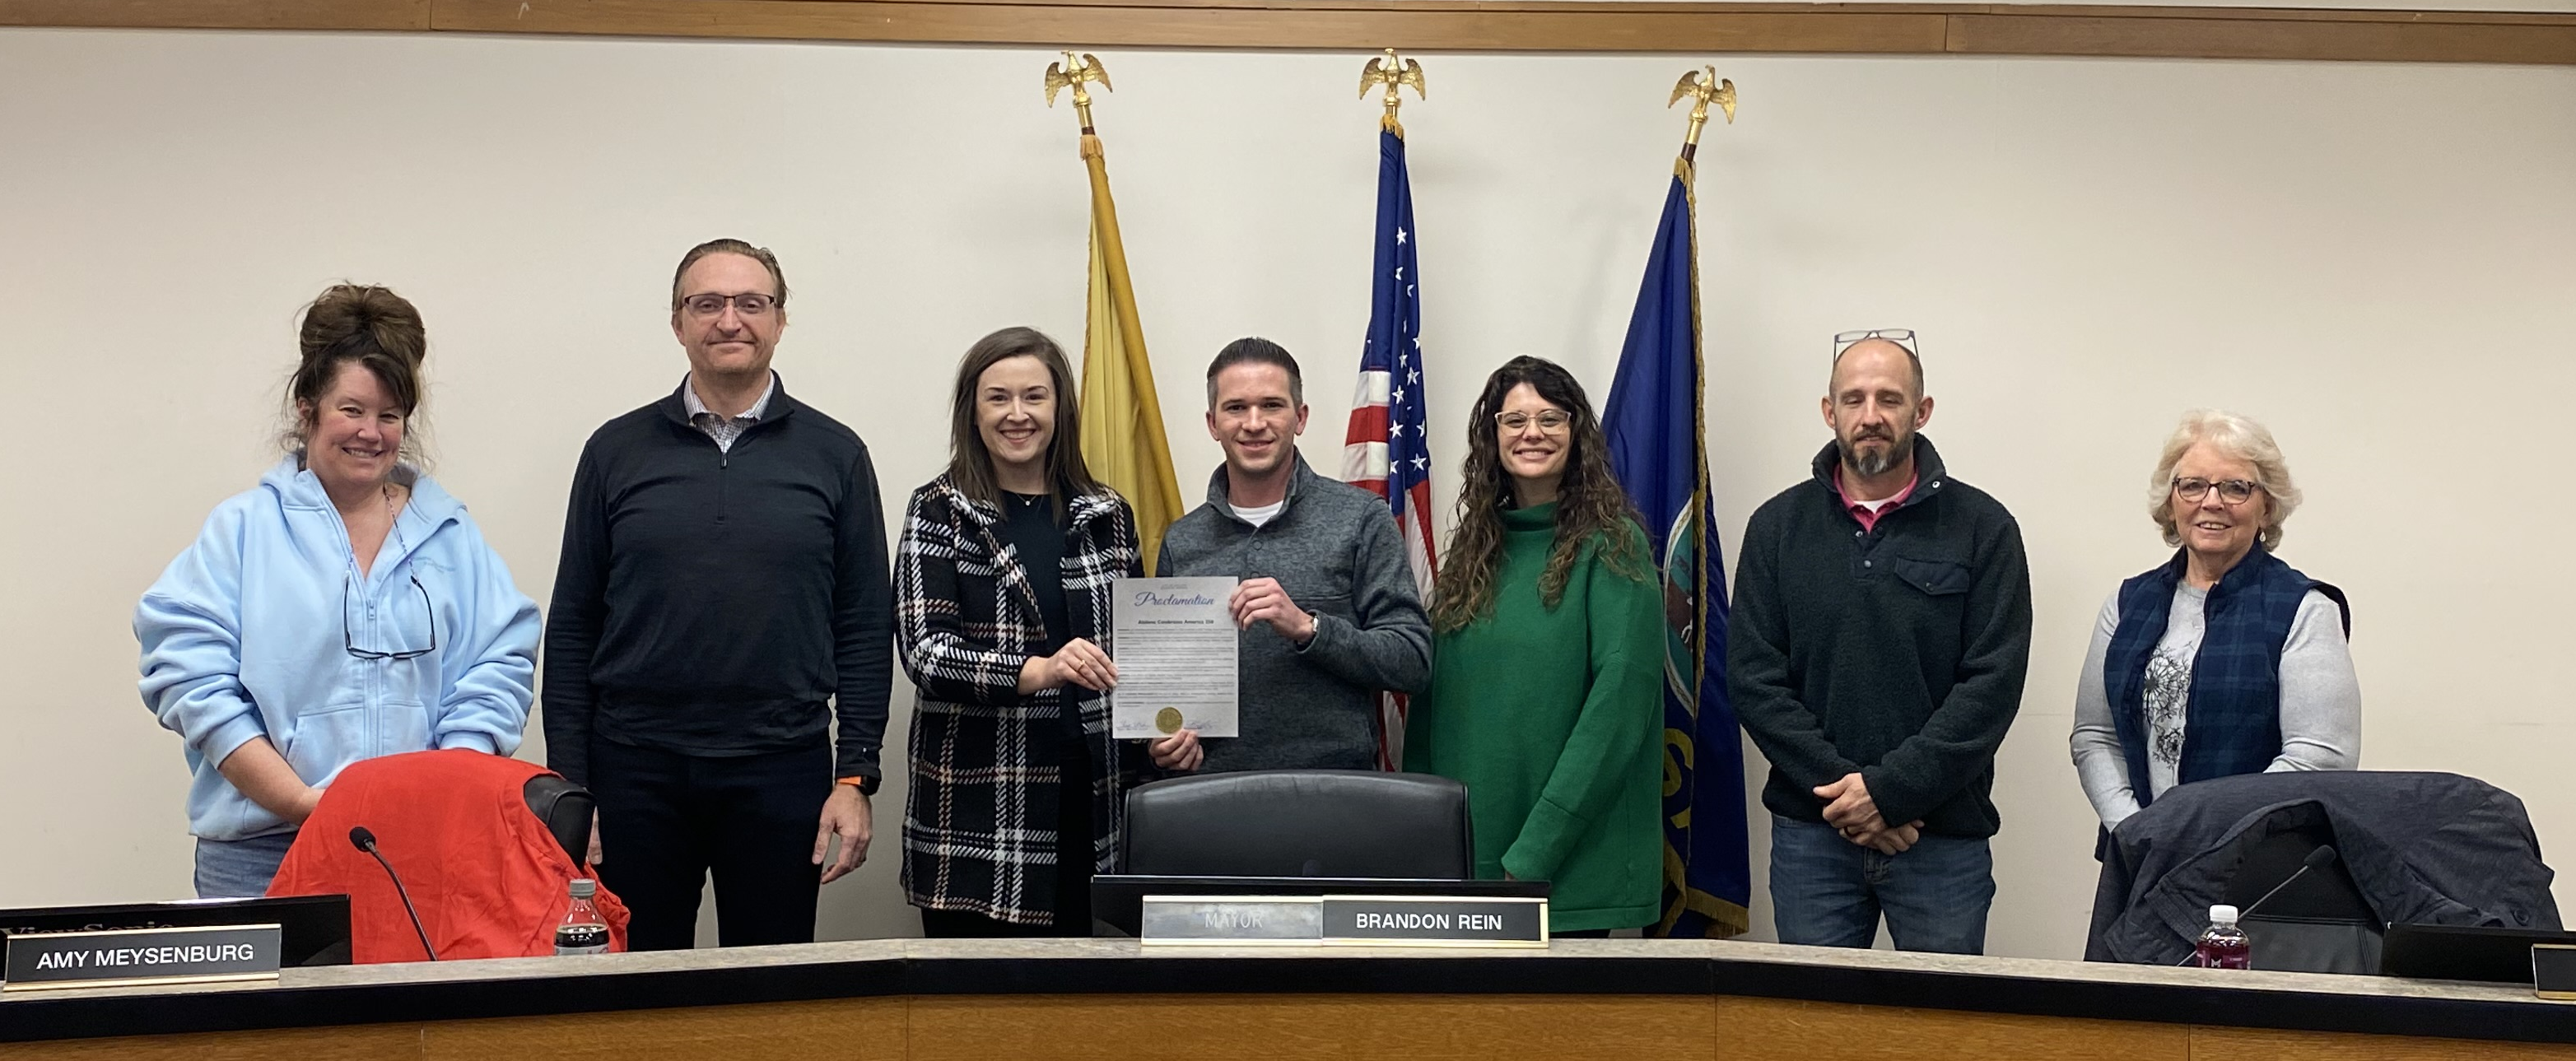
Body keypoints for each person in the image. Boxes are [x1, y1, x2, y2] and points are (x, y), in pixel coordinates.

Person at [543, 239, 892, 950]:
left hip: (781, 767)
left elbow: (862, 624)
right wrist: (573, 791)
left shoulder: (837, 454)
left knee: (770, 999)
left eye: (750, 303)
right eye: (707, 303)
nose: (729, 319)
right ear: (677, 323)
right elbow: (575, 623)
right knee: (636, 991)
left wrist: (854, 774)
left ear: (779, 320)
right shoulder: (615, 451)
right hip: (634, 769)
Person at [137, 284, 539, 899]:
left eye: (389, 416)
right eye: (351, 410)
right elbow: (189, 676)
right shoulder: (243, 530)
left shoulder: (452, 537)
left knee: (406, 1001)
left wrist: (440, 793)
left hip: (411, 852)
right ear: (306, 409)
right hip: (259, 854)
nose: (370, 433)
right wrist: (300, 801)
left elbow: (496, 666)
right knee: (265, 1003)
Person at [1731, 329, 2032, 954]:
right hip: (1812, 840)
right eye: (1854, 398)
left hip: (1940, 840)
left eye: (1889, 399)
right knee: (1814, 1039)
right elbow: (1756, 681)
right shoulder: (1775, 528)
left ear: (1920, 412)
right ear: (1828, 410)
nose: (1870, 416)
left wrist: (1890, 793)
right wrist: (1851, 794)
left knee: (1938, 1037)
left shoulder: (1985, 529)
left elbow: (1991, 687)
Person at [895, 327, 1199, 936]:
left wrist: (1168, 731)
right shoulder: (939, 509)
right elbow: (926, 652)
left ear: (1060, 407)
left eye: (1034, 396)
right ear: (971, 412)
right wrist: (1041, 669)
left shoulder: (1106, 515)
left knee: (1080, 1012)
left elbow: (1136, 654)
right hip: (980, 805)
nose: (1017, 414)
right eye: (997, 398)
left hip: (1092, 797)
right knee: (983, 1011)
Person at [1403, 356, 1663, 935]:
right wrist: (1422, 841)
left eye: (1550, 417)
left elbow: (1619, 708)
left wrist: (1532, 853)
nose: (1532, 433)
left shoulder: (1612, 547)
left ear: (1577, 433)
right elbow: (1431, 707)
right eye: (1514, 419)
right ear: (1492, 435)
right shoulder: (1472, 552)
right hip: (1465, 871)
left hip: (1564, 871)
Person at [1154, 337, 1432, 772]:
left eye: (1271, 405)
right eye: (1235, 408)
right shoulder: (1182, 541)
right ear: (1212, 423)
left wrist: (1308, 628)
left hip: (1335, 797)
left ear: (1300, 417)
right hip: (1211, 801)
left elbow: (1412, 660)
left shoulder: (1360, 519)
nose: (1254, 423)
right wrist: (1166, 743)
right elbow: (1169, 690)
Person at [2071, 411, 2357, 831]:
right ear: (2171, 501)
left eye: (2236, 488)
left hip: (2257, 862)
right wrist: (2132, 830)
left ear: (2267, 507)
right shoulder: (2128, 603)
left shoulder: (2304, 608)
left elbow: (2320, 758)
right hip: (2139, 854)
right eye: (2193, 485)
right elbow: (2095, 735)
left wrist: (2203, 837)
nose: (2211, 501)